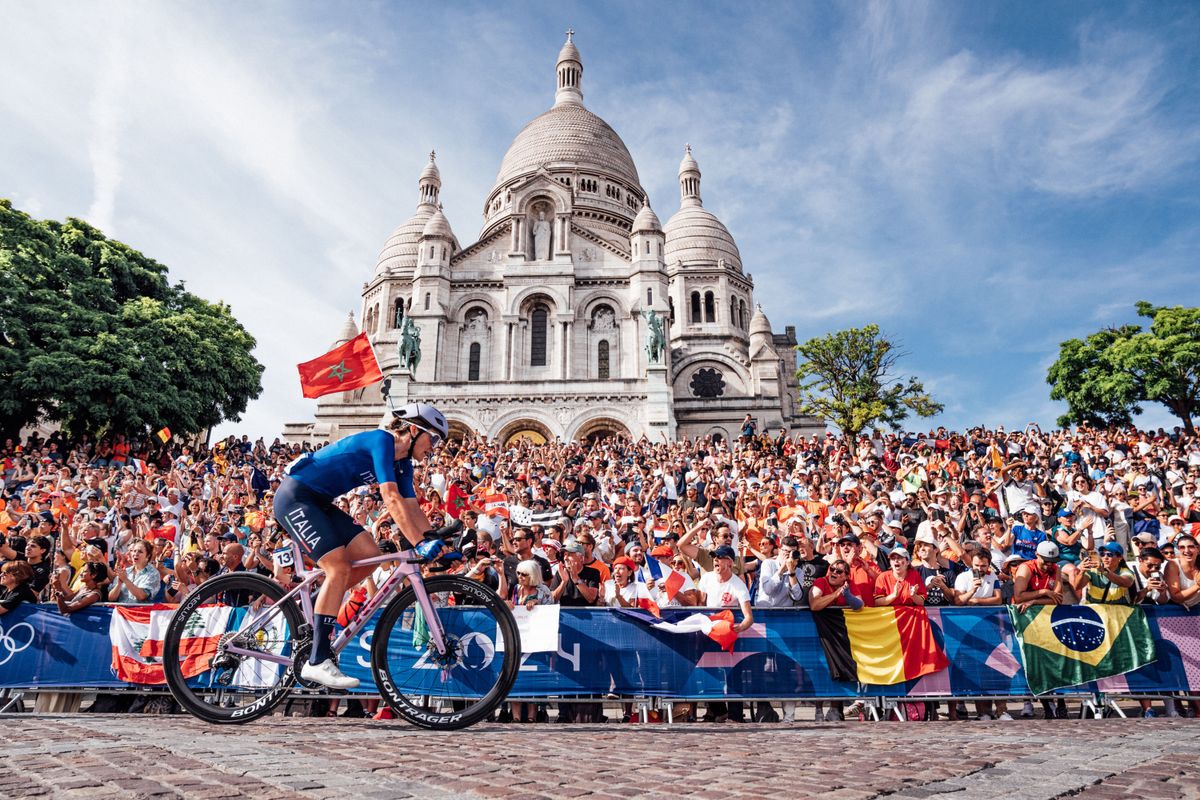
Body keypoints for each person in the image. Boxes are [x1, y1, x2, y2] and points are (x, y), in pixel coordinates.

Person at [272, 402, 448, 689]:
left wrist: (434, 541)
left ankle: (317, 617)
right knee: (339, 568)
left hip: (319, 501)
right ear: (415, 431)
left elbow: (412, 507)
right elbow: (390, 499)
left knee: (371, 555)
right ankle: (317, 660)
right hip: (296, 497)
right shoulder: (382, 441)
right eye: (435, 438)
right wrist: (417, 543)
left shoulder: (402, 463)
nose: (435, 447)